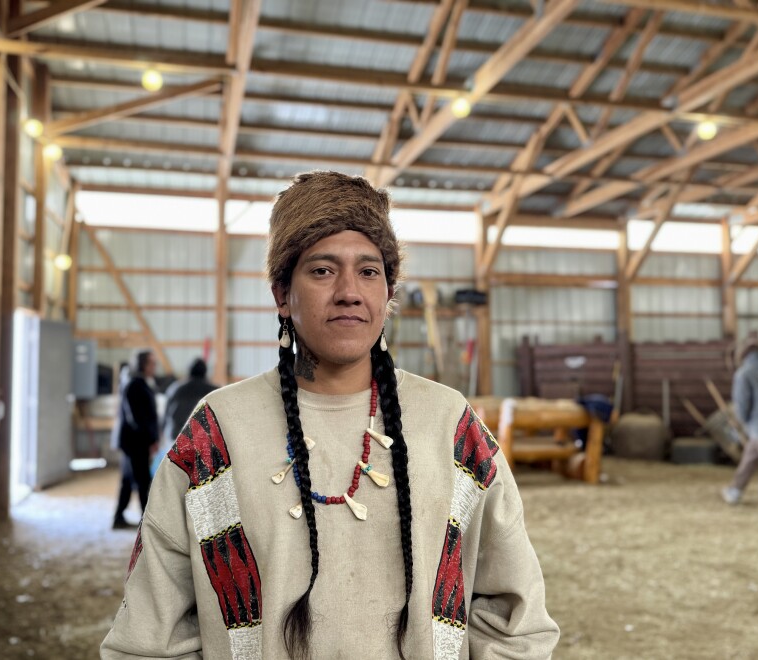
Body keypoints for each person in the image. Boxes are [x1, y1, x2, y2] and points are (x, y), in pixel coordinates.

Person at [102, 172, 559, 659]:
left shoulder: (449, 425)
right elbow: (151, 634)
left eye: (369, 271)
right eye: (322, 270)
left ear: (388, 293)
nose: (349, 291)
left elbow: (515, 619)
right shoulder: (218, 433)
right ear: (282, 293)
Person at [112, 349, 160, 530]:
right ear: (142, 365)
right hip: (135, 442)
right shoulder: (135, 384)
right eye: (151, 363)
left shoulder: (139, 383)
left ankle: (119, 517)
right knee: (142, 480)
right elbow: (138, 418)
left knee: (128, 480)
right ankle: (147, 521)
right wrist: (151, 439)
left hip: (133, 441)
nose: (154, 367)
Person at [721, 337, 758, 505]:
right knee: (749, 459)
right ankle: (735, 490)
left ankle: (735, 491)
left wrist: (743, 424)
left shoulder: (744, 373)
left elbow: (741, 404)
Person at [163, 358, 219, 444]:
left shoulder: (175, 388)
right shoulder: (214, 391)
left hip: (177, 436)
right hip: (203, 439)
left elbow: (166, 415)